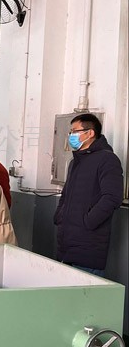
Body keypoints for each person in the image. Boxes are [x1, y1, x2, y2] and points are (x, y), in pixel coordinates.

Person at [53, 113, 123, 276]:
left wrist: (88, 222)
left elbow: (112, 197)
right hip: (66, 245)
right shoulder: (75, 162)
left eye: (74, 131)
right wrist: (59, 216)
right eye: (70, 132)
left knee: (85, 290)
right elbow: (66, 194)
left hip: (88, 246)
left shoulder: (107, 159)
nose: (71, 136)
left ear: (90, 133)